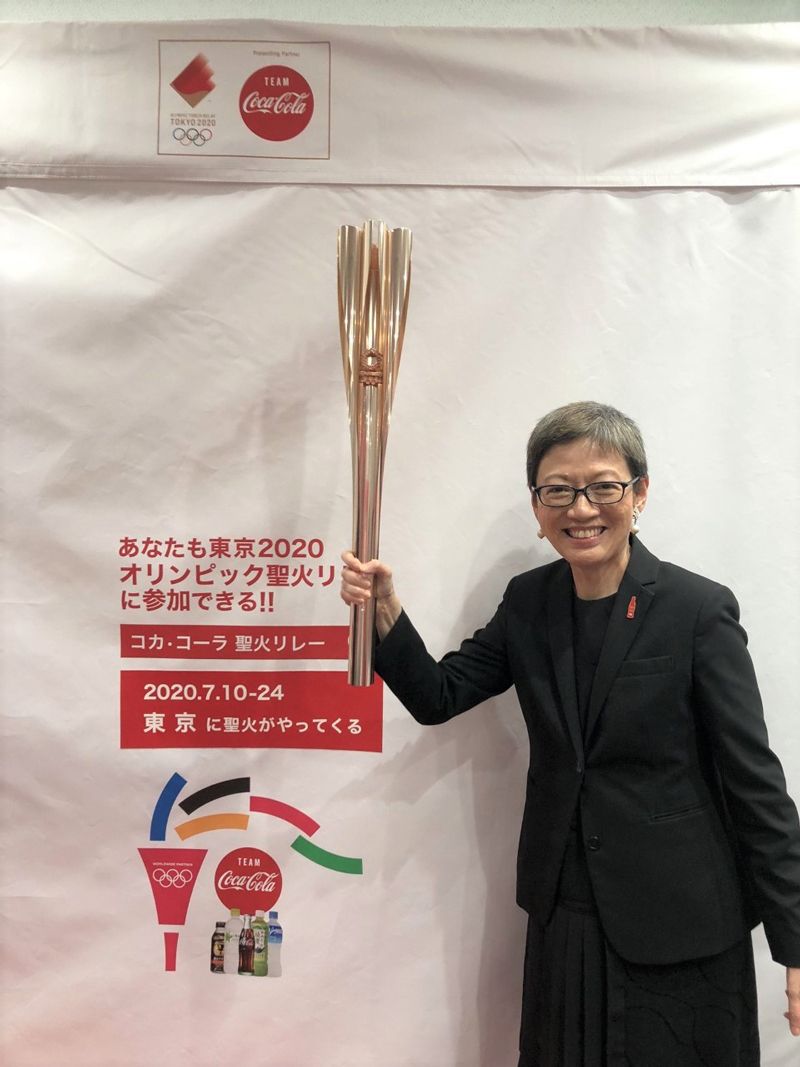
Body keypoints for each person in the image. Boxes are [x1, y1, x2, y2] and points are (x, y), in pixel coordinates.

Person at [340, 401, 800, 1066]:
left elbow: (755, 783)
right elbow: (439, 696)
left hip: (682, 921)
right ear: (537, 506)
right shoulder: (529, 601)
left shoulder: (697, 609)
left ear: (639, 494)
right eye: (558, 489)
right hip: (568, 913)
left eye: (603, 487)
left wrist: (795, 944)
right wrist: (385, 608)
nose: (581, 508)